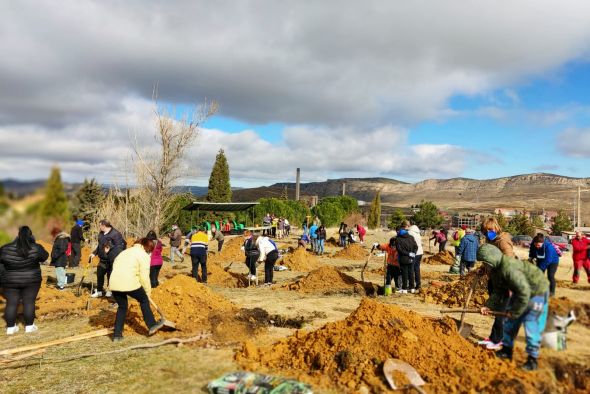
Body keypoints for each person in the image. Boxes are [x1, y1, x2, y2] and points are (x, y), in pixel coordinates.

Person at [477, 244, 549, 371]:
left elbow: (524, 292)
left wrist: (514, 312)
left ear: (491, 259)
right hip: (521, 291)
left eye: (485, 262)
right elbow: (498, 291)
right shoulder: (496, 271)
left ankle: (532, 360)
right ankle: (506, 351)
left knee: (531, 324)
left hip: (537, 290)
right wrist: (488, 306)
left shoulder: (508, 268)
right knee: (509, 324)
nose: (484, 266)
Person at [109, 238, 163, 341]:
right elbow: (144, 277)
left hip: (114, 283)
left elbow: (116, 266)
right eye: (149, 250)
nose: (149, 252)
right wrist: (147, 292)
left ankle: (117, 335)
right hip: (129, 282)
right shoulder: (143, 255)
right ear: (146, 247)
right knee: (143, 300)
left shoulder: (124, 252)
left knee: (122, 307)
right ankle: (152, 325)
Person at [0, 226, 49, 334]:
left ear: (18, 235)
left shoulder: (5, 248)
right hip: (31, 280)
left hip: (10, 280)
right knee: (29, 302)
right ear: (30, 236)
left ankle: (10, 328)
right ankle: (29, 327)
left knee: (11, 303)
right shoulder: (36, 247)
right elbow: (45, 257)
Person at [478, 216, 516, 350]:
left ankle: (497, 340)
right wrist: (484, 268)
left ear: (496, 228)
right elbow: (490, 259)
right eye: (486, 230)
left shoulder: (503, 241)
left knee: (501, 310)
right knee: (498, 311)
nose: (488, 232)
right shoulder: (490, 240)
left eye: (491, 230)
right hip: (494, 278)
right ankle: (495, 337)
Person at [90, 219, 126, 298]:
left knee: (110, 276)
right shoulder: (101, 234)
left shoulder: (116, 234)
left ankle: (110, 291)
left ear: (104, 226)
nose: (99, 227)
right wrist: (94, 253)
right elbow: (99, 246)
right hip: (102, 259)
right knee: (99, 275)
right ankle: (99, 291)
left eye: (100, 225)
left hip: (111, 259)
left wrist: (110, 248)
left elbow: (120, 247)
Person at [395, 221, 418, 293]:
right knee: (411, 273)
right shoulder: (411, 237)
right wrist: (413, 253)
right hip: (412, 258)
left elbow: (399, 250)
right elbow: (416, 247)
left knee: (404, 273)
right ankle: (412, 288)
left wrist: (408, 254)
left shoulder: (398, 239)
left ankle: (404, 289)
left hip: (403, 258)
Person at [408, 225, 423, 290]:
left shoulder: (410, 232)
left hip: (414, 252)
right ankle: (418, 284)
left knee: (411, 269)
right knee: (417, 269)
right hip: (420, 252)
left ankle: (411, 285)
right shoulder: (418, 232)